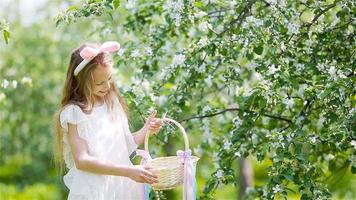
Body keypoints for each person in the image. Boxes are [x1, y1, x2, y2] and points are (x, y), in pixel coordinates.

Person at [53, 41, 163, 200]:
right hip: (95, 191)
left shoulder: (112, 103)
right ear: (81, 81)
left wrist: (147, 130)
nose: (106, 86)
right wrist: (129, 171)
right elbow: (82, 160)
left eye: (109, 79)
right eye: (99, 83)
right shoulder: (75, 113)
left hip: (121, 187)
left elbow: (125, 145)